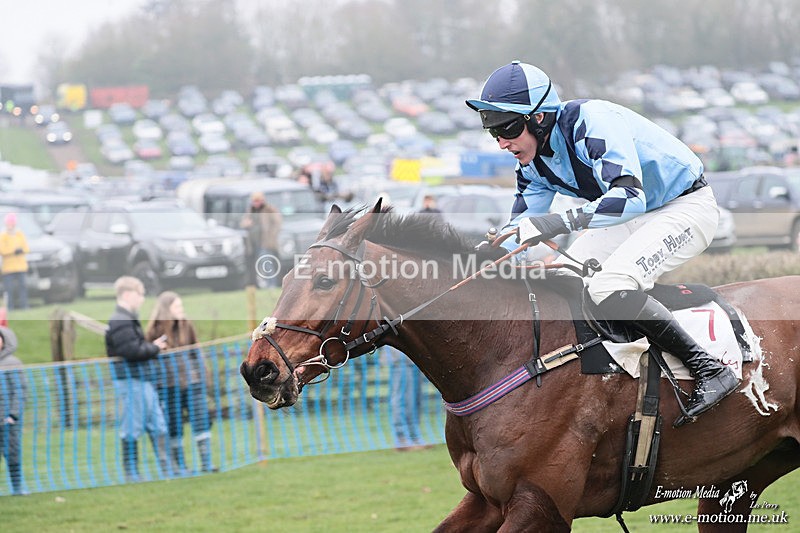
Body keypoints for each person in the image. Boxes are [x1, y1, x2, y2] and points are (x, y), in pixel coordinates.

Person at [466, 61, 739, 427]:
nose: (501, 142)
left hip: (684, 205)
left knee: (610, 286)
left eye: (508, 127)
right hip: (636, 216)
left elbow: (629, 196)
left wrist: (555, 223)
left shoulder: (591, 122)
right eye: (492, 129)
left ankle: (708, 367)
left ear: (540, 118)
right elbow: (520, 225)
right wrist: (487, 255)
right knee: (566, 282)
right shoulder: (532, 161)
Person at [105, 276, 171, 481]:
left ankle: (167, 469)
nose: (142, 299)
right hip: (131, 381)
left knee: (158, 424)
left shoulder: (126, 319)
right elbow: (130, 350)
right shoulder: (120, 320)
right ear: (127, 294)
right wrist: (155, 348)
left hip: (142, 380)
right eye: (140, 294)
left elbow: (136, 346)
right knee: (131, 427)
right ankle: (131, 472)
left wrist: (151, 346)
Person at [145, 291, 215, 474]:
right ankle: (181, 466)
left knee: (200, 421)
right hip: (168, 386)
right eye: (177, 306)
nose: (181, 310)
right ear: (166, 309)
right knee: (175, 425)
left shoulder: (186, 325)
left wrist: (204, 375)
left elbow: (196, 351)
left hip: (193, 382)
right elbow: (148, 356)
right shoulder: (154, 330)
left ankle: (206, 463)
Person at [384, 346, 428, 451]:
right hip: (399, 359)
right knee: (401, 399)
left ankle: (414, 436)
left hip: (414, 359)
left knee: (415, 401)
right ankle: (401, 438)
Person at [0, 324, 27, 495]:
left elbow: (20, 390)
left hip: (7, 420)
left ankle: (17, 488)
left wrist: (13, 415)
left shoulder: (11, 363)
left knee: (12, 454)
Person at [240, 191, 283, 288]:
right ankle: (260, 284)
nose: (256, 203)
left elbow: (278, 223)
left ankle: (271, 284)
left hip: (266, 243)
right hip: (253, 243)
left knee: (266, 262)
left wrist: (271, 236)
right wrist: (246, 224)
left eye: (258, 201)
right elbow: (243, 223)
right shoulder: (250, 211)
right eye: (254, 201)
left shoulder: (269, 210)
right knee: (257, 265)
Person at [0, 213, 30, 311]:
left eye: (12, 223)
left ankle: (24, 307)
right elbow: (2, 250)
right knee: (9, 290)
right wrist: (13, 251)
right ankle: (10, 308)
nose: (11, 226)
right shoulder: (3, 236)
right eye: (9, 223)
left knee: (23, 288)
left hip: (20, 267)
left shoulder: (19, 234)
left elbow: (26, 248)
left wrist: (21, 250)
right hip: (8, 268)